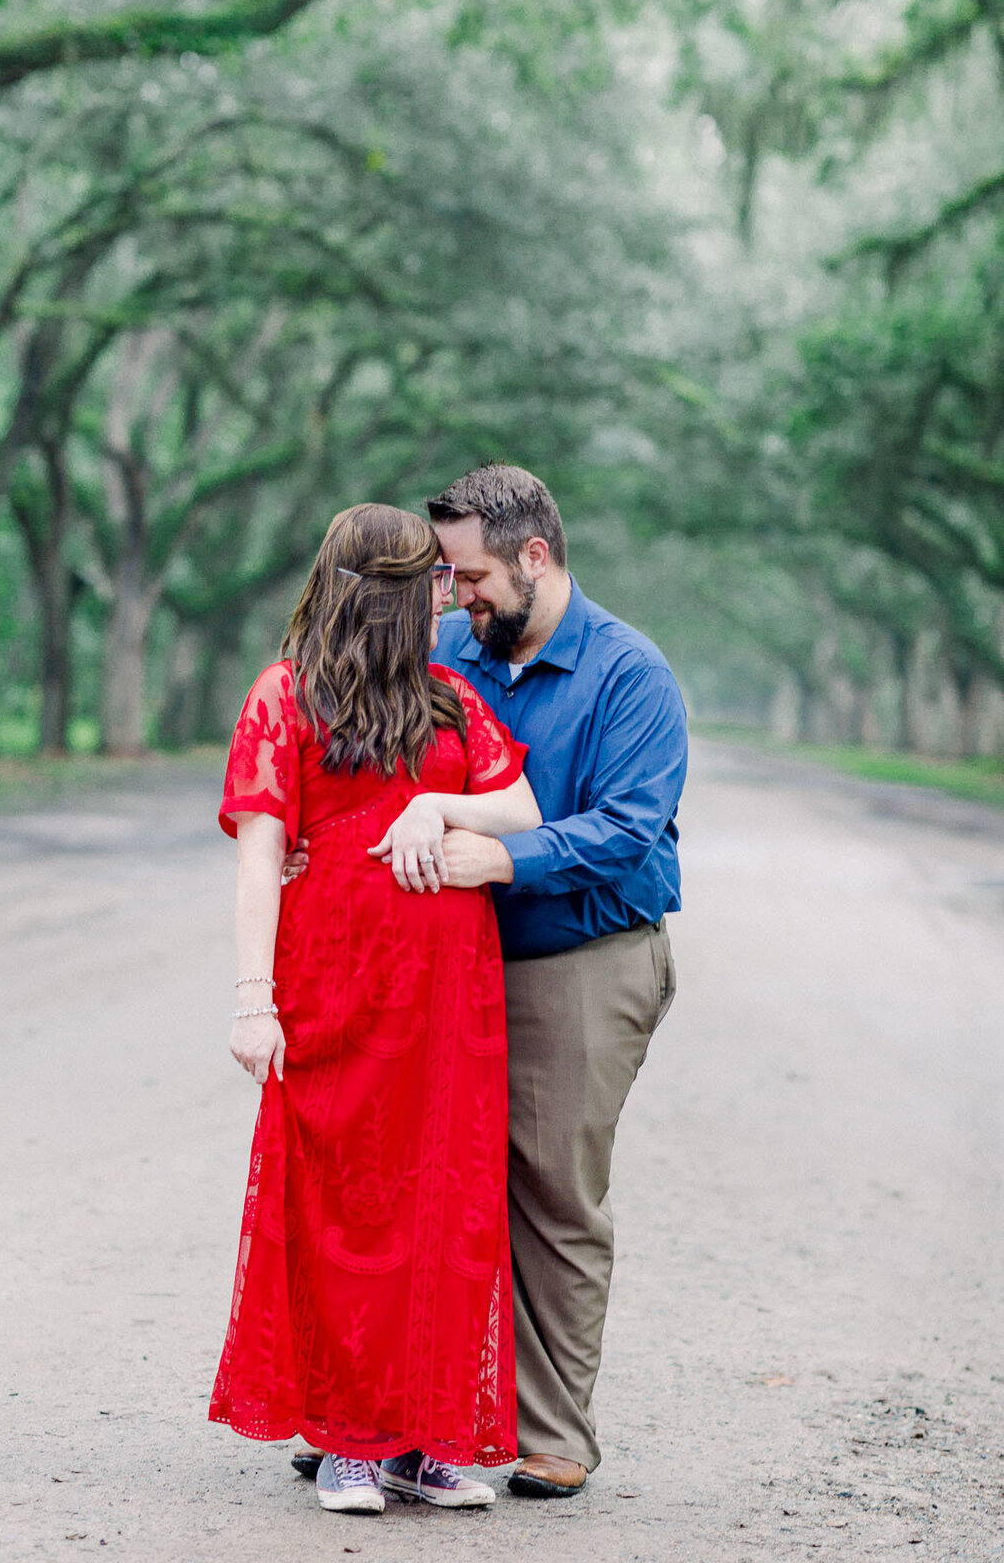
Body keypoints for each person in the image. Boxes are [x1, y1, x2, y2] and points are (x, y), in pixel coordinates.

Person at [291, 465, 687, 1499]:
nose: (456, 599)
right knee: (410, 1184)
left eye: (469, 578)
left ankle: (553, 1433)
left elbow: (626, 829)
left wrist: (491, 849)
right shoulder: (455, 654)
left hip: (579, 955)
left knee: (551, 1189)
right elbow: (365, 753)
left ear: (536, 558)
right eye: (449, 581)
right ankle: (376, 1417)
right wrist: (312, 847)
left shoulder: (629, 674)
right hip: (434, 965)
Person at [210, 502, 542, 1515]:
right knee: (343, 1206)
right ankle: (348, 1438)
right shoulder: (285, 696)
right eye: (434, 584)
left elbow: (524, 809)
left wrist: (437, 804)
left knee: (442, 1201)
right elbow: (262, 858)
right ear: (394, 595)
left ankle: (422, 1439)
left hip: (448, 990)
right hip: (334, 981)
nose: (448, 595)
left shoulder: (450, 700)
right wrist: (252, 1002)